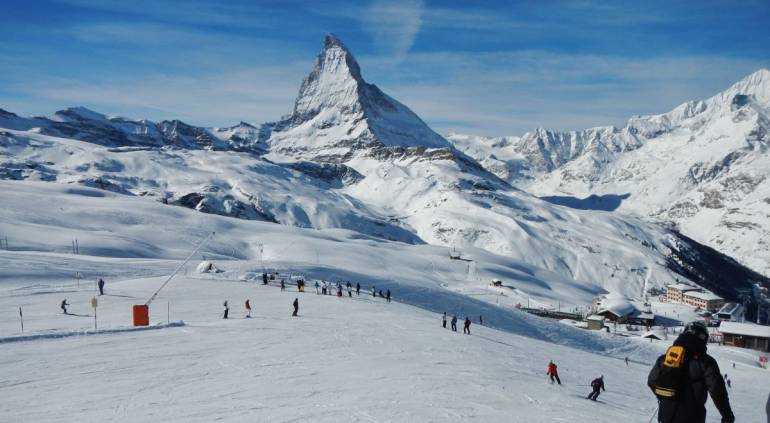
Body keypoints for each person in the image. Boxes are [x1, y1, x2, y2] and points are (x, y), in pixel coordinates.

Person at [647, 321, 734, 423]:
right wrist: (727, 415)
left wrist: (665, 396)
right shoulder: (706, 362)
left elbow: (652, 381)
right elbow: (717, 390)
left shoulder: (666, 358)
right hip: (693, 416)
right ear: (702, 338)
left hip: (666, 415)